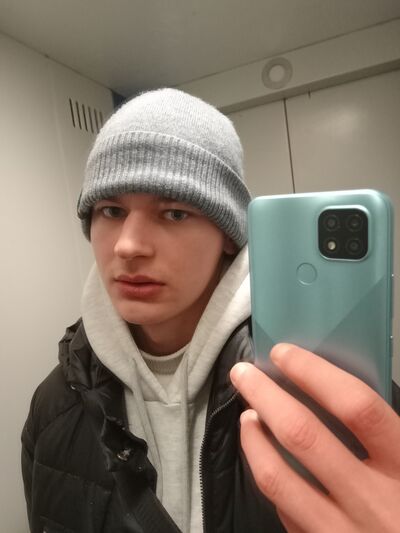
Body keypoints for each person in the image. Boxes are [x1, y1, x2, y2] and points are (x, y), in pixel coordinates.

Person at [21, 88, 400, 533]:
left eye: (174, 213)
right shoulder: (54, 406)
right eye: (111, 210)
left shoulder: (320, 389)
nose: (128, 245)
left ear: (228, 237)